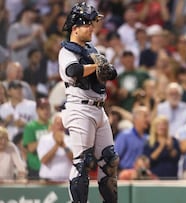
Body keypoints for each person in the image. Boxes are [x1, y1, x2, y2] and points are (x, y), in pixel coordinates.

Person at [58, 2, 118, 203]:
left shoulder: (93, 50)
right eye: (88, 24)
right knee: (82, 163)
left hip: (99, 109)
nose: (92, 27)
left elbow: (111, 72)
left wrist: (105, 68)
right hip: (80, 108)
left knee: (110, 160)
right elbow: (73, 71)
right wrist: (97, 66)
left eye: (93, 24)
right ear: (75, 28)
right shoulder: (67, 51)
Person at [37, 113, 73, 183]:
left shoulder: (71, 139)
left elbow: (74, 159)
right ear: (52, 125)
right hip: (47, 180)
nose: (60, 127)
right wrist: (56, 145)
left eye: (62, 124)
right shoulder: (44, 139)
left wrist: (64, 145)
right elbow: (44, 160)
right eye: (58, 124)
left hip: (66, 180)